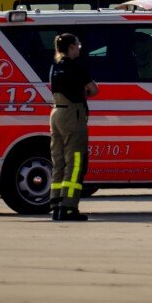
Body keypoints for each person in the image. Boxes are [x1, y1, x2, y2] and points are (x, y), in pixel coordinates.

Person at [48, 33, 97, 222]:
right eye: (78, 45)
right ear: (70, 47)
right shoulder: (75, 67)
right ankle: (69, 207)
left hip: (56, 112)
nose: (79, 48)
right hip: (72, 115)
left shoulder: (55, 67)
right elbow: (93, 89)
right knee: (75, 162)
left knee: (59, 161)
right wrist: (82, 91)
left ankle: (56, 205)